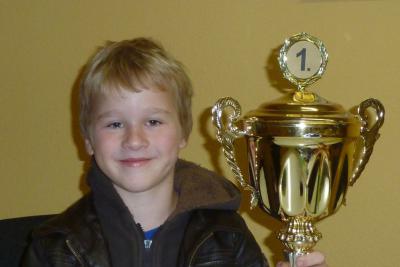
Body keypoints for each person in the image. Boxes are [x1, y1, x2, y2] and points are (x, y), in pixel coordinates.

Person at [22, 37, 327, 267]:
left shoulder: (226, 235)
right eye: (114, 124)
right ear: (88, 139)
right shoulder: (55, 248)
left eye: (153, 121)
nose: (135, 139)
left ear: (183, 132)